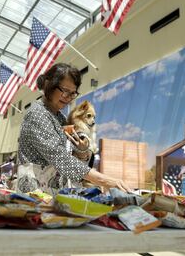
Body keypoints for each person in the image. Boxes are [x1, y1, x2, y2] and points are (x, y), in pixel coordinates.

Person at [18, 63, 131, 193]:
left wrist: (82, 151)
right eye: (65, 91)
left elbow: (71, 158)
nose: (68, 97)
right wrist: (107, 181)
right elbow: (61, 158)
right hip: (35, 194)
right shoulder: (37, 114)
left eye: (73, 93)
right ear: (49, 85)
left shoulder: (60, 117)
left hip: (53, 192)